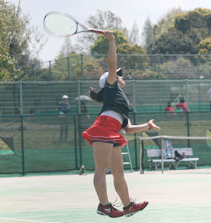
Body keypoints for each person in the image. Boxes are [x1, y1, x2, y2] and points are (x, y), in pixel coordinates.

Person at [82, 30, 161, 218]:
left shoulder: (121, 102)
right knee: (101, 169)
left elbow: (128, 128)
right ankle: (104, 205)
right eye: (118, 75)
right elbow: (111, 63)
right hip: (103, 128)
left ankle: (128, 206)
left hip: (113, 131)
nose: (121, 76)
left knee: (119, 173)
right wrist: (111, 40)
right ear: (111, 79)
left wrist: (147, 126)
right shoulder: (111, 86)